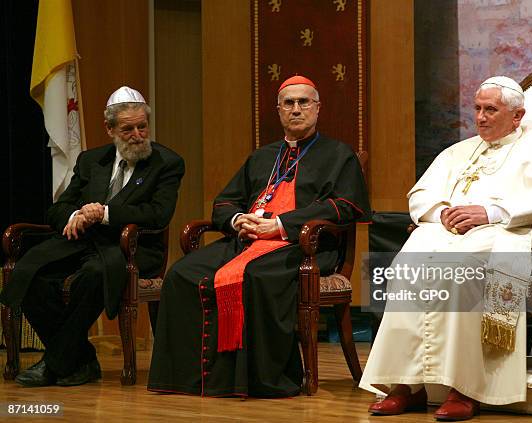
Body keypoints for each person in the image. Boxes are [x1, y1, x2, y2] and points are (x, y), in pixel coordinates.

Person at [360, 76, 532, 420]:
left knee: (463, 270)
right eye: (478, 108)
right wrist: (443, 213)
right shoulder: (460, 151)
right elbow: (421, 195)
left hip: (508, 233)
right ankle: (405, 385)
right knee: (406, 265)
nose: (481, 117)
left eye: (491, 110)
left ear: (516, 116)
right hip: (448, 233)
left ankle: (465, 387)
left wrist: (492, 212)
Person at [147, 75, 370, 397]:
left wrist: (281, 225)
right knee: (182, 273)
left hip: (304, 246)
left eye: (303, 102)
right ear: (278, 110)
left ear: (318, 108)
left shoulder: (339, 155)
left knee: (256, 276)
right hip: (247, 242)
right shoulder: (262, 157)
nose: (296, 109)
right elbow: (225, 201)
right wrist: (239, 220)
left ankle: (255, 380)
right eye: (288, 103)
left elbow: (346, 206)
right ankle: (190, 379)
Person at [0, 86, 185, 387]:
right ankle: (80, 360)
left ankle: (53, 363)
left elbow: (157, 214)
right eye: (128, 129)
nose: (138, 134)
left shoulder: (166, 163)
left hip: (131, 248)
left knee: (94, 273)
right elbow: (59, 208)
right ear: (109, 129)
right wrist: (75, 216)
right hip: (83, 244)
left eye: (142, 126)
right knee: (29, 272)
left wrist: (105, 213)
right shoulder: (91, 160)